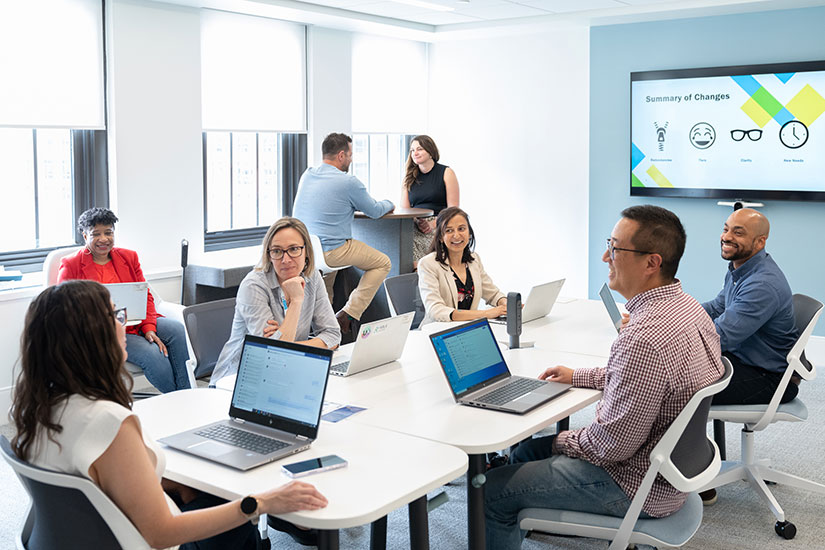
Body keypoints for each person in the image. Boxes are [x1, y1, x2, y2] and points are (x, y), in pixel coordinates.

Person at [11, 280, 328, 550]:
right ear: (89, 338)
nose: (124, 324)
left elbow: (98, 479)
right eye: (115, 316)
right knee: (238, 521)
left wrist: (172, 485)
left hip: (84, 538)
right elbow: (161, 532)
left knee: (199, 492)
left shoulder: (41, 407)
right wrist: (262, 503)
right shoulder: (108, 422)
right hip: (138, 541)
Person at [483, 205, 724, 549]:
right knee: (524, 452)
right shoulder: (689, 308)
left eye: (615, 249)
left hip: (633, 486)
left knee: (492, 490)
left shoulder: (643, 338)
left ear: (651, 263)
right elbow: (647, 380)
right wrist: (578, 375)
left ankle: (518, 510)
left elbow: (609, 447)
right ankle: (535, 513)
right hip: (671, 475)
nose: (604, 257)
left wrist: (558, 442)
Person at [699, 208, 798, 505]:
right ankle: (698, 466)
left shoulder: (761, 284)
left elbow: (720, 337)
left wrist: (668, 335)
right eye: (727, 228)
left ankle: (697, 475)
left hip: (768, 376)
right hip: (748, 359)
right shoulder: (742, 267)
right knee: (681, 376)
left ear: (760, 242)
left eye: (738, 232)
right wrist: (669, 317)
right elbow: (717, 307)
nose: (727, 236)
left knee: (683, 388)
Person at [58, 207, 190, 393]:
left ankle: (187, 393)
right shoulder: (71, 265)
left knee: (176, 329)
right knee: (152, 354)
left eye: (108, 232)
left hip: (136, 320)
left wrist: (149, 329)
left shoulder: (128, 257)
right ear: (85, 236)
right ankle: (178, 398)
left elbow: (145, 296)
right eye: (96, 234)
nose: (104, 239)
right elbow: (64, 308)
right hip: (106, 330)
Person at [210, 217, 341, 385]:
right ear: (269, 254)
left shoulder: (312, 277)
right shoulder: (253, 286)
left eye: (294, 249)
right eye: (277, 251)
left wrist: (291, 348)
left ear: (306, 251)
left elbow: (333, 335)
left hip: (288, 373)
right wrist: (296, 300)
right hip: (239, 380)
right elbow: (273, 355)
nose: (286, 259)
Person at [292, 132, 395, 337]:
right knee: (383, 262)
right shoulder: (348, 182)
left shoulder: (308, 174)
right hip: (333, 250)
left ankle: (325, 333)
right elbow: (374, 210)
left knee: (325, 282)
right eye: (349, 155)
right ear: (341, 155)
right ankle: (348, 314)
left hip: (309, 251)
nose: (350, 159)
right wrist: (390, 203)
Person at [417, 206, 506, 325]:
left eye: (461, 229)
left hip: (468, 330)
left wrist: (506, 304)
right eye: (449, 230)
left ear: (469, 233)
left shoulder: (474, 260)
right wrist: (486, 314)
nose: (456, 235)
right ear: (440, 237)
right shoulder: (428, 264)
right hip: (438, 331)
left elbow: (493, 294)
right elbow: (436, 310)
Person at [400, 135, 460, 264]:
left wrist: (432, 225)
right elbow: (405, 210)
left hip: (440, 223)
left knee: (413, 245)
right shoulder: (408, 177)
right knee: (401, 243)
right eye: (412, 150)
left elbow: (453, 210)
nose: (415, 153)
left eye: (419, 149)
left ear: (430, 151)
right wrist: (418, 221)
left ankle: (420, 276)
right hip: (415, 224)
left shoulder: (446, 172)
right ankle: (417, 278)